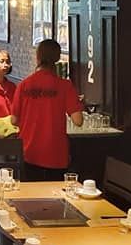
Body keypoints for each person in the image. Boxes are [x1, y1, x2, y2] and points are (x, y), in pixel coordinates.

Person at [11, 39, 83, 181]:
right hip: (56, 153)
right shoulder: (65, 86)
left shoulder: (24, 85)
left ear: (37, 57)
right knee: (55, 194)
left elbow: (14, 120)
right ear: (57, 58)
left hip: (29, 151)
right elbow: (78, 120)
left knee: (30, 193)